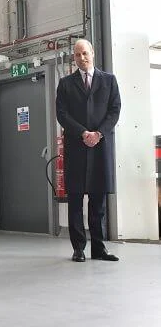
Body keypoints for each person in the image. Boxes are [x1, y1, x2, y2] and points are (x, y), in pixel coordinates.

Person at [56, 39, 121, 263]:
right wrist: (83, 133)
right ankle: (78, 249)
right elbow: (62, 115)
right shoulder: (65, 84)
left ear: (92, 53)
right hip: (77, 147)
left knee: (98, 201)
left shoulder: (109, 80)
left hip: (100, 147)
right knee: (75, 201)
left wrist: (98, 133)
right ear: (73, 58)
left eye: (84, 53)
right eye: (77, 55)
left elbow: (114, 110)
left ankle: (99, 248)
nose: (81, 58)